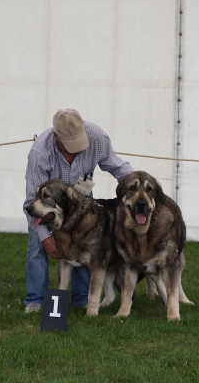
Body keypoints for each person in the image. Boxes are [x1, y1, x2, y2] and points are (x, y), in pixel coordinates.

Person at [23, 109, 134, 313]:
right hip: (47, 205)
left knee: (88, 245)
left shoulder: (97, 137)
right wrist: (46, 237)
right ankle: (35, 301)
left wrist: (138, 187)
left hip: (82, 198)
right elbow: (32, 200)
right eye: (69, 146)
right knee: (38, 247)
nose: (75, 151)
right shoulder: (40, 153)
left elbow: (119, 168)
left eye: (78, 144)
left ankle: (81, 299)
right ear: (56, 137)